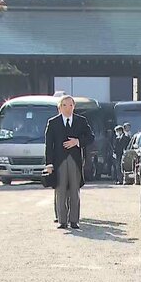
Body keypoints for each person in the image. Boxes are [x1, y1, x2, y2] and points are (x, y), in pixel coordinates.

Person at [45, 95, 96, 230]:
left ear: (74, 107)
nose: (68, 108)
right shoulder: (53, 122)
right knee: (60, 191)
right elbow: (49, 145)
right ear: (60, 108)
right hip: (59, 161)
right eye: (64, 105)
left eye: (70, 105)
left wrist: (77, 142)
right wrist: (49, 164)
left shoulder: (81, 121)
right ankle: (62, 221)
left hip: (75, 160)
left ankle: (74, 220)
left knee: (74, 190)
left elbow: (90, 137)